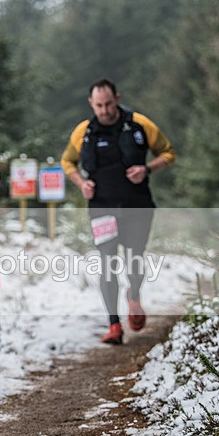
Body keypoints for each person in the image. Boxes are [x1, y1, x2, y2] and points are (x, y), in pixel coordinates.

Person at [61, 78, 176, 345]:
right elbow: (68, 161)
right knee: (107, 264)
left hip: (137, 205)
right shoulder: (84, 131)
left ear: (117, 99)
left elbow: (168, 153)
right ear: (91, 103)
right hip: (102, 208)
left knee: (134, 259)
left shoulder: (139, 124)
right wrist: (82, 183)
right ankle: (114, 324)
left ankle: (134, 294)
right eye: (98, 105)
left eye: (108, 104)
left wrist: (147, 169)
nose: (103, 110)